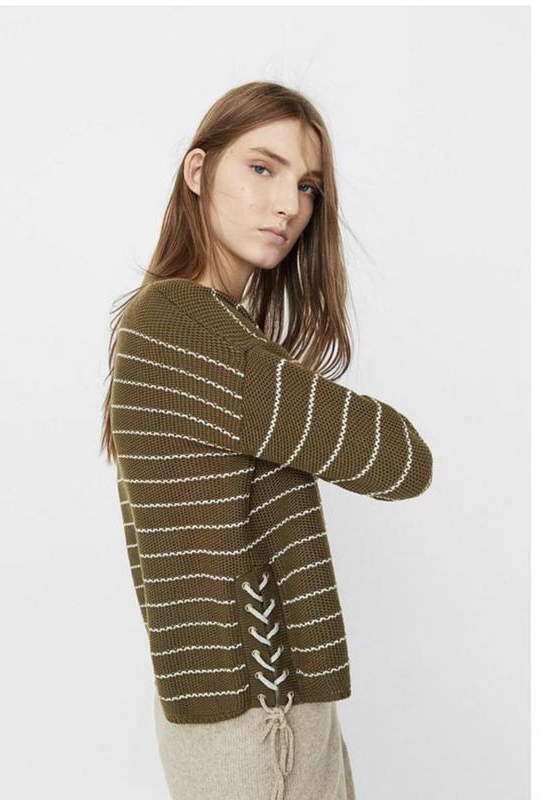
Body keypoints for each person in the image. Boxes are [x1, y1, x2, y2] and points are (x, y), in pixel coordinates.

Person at [100, 81, 433, 800]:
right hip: (257, 719)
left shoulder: (191, 325)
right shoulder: (187, 329)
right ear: (198, 172)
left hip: (254, 709)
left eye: (307, 186)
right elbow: (401, 459)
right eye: (262, 167)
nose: (289, 204)